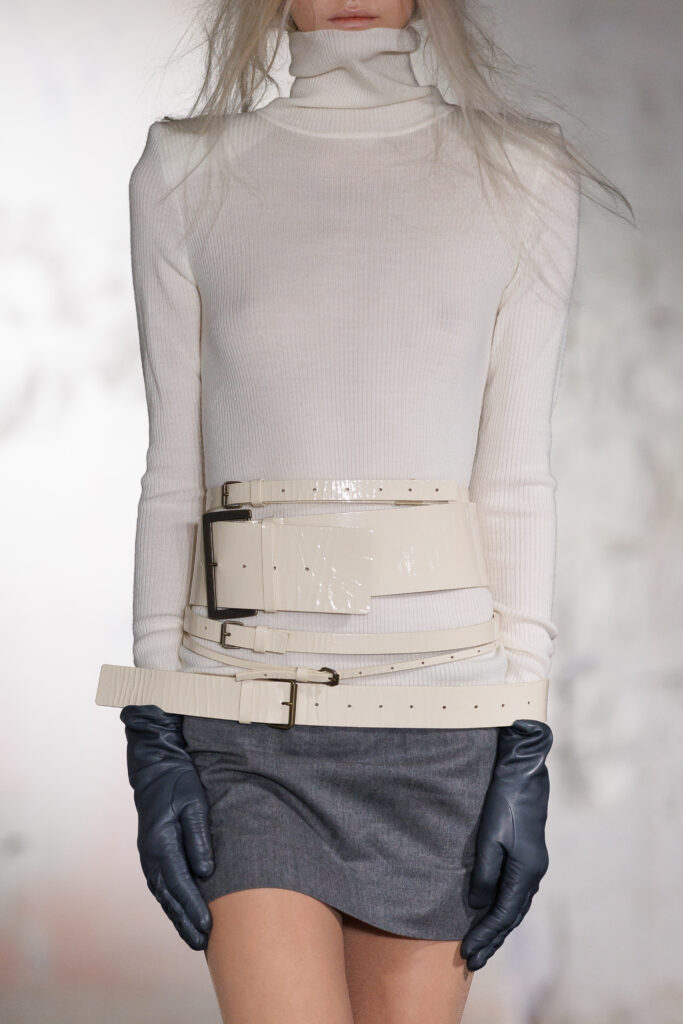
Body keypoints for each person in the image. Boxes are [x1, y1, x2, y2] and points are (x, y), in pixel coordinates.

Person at [114, 1, 632, 1021]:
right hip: (244, 729)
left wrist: (522, 733)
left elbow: (513, 481)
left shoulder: (523, 174)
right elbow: (174, 467)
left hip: (441, 730)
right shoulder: (182, 173)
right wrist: (154, 723)